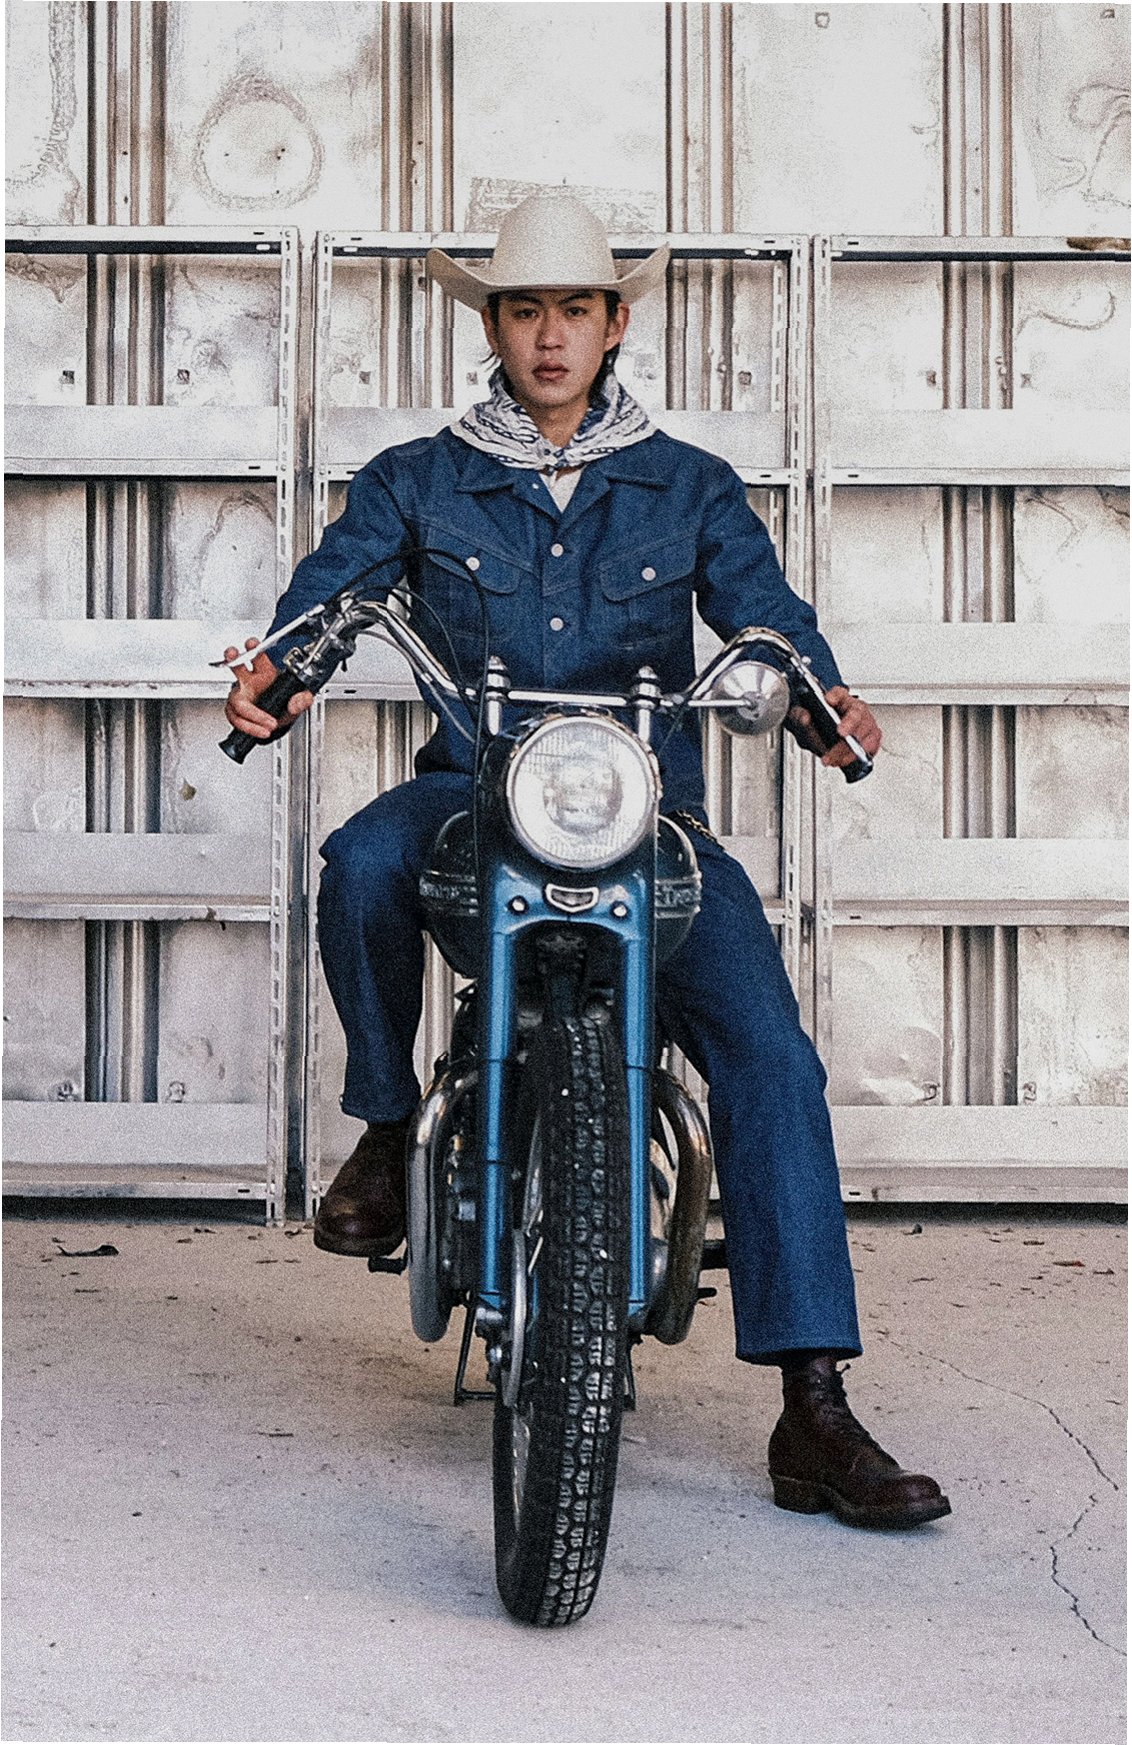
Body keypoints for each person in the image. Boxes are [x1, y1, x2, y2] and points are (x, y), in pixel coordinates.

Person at [224, 192, 949, 1530]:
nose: (548, 336)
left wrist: (821, 701)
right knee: (359, 862)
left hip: (648, 821)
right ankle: (385, 1126)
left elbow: (767, 618)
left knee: (771, 1053)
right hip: (472, 799)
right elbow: (334, 592)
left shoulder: (690, 485)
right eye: (523, 310)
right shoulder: (418, 479)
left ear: (616, 324)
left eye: (573, 309)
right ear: (491, 326)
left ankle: (814, 1403)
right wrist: (283, 671)